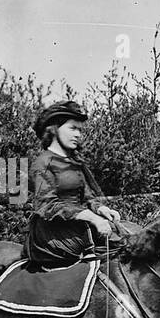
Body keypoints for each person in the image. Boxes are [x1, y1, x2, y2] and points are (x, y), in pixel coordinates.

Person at [24, 100, 124, 267]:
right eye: (72, 128)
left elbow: (87, 196)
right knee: (110, 250)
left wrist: (101, 209)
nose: (78, 134)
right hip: (52, 233)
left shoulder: (73, 162)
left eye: (80, 130)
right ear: (54, 130)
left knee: (127, 238)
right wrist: (93, 219)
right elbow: (47, 205)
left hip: (78, 224)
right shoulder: (42, 163)